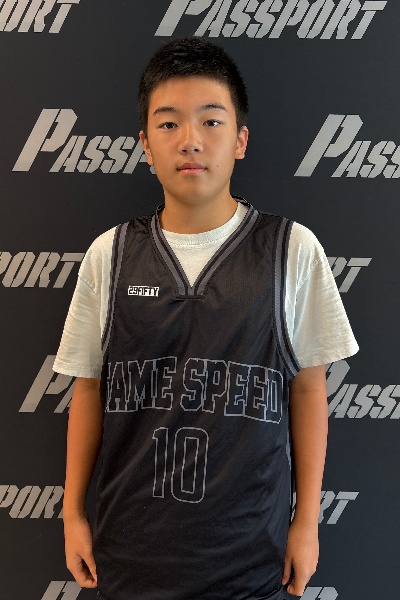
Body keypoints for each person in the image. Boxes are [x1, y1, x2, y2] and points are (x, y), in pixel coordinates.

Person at [54, 37, 359, 600]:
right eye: (168, 124)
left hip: (251, 555)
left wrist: (307, 522)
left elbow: (309, 389)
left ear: (240, 139)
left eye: (211, 121)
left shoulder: (291, 249)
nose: (191, 140)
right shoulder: (110, 254)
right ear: (145, 145)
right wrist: (72, 512)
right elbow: (88, 386)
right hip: (131, 553)